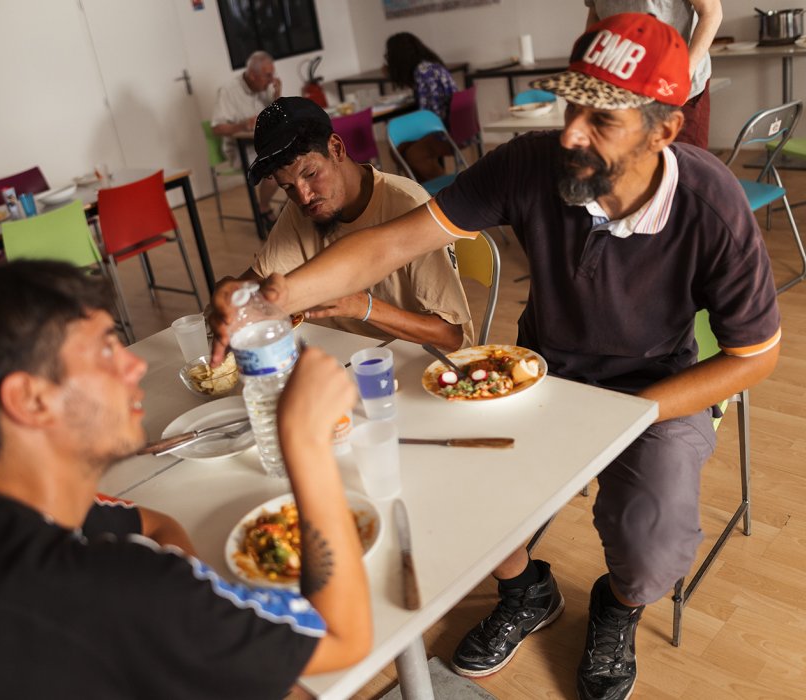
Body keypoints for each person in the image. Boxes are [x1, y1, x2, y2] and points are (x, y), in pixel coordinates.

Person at [211, 14, 781, 700]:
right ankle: (525, 592)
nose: (571, 132)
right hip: (544, 369)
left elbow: (754, 356)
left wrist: (629, 415)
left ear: (663, 129)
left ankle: (620, 605)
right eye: (572, 105)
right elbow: (393, 243)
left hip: (654, 385)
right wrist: (275, 295)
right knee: (468, 491)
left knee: (652, 545)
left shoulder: (711, 205)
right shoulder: (534, 163)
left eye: (601, 121)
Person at [0, 261, 371, 699]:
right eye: (107, 350)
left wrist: (197, 616)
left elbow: (154, 523)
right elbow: (345, 636)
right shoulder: (117, 590)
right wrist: (305, 445)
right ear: (30, 399)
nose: (134, 364)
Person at [239, 96, 473, 351]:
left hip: (423, 361)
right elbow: (256, 283)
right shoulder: (304, 208)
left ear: (336, 148)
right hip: (349, 358)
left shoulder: (408, 205)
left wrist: (364, 307)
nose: (303, 196)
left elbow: (452, 337)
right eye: (287, 187)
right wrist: (232, 294)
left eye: (311, 174)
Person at [585, 0, 723, 149]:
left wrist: (683, 73)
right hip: (620, 84)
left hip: (673, 81)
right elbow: (595, 15)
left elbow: (712, 13)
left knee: (683, 160)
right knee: (630, 159)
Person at [212, 50, 283, 230]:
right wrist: (242, 125)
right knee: (275, 168)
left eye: (272, 74)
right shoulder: (228, 91)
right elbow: (217, 128)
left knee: (300, 156)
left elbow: (279, 117)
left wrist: (277, 96)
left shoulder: (264, 88)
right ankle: (264, 208)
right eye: (267, 76)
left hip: (267, 144)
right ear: (252, 75)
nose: (271, 79)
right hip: (241, 150)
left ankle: (292, 209)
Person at [385, 32, 458, 182]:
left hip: (445, 132)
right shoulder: (429, 67)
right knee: (398, 150)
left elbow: (427, 117)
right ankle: (424, 190)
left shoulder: (423, 72)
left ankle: (446, 190)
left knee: (413, 154)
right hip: (453, 127)